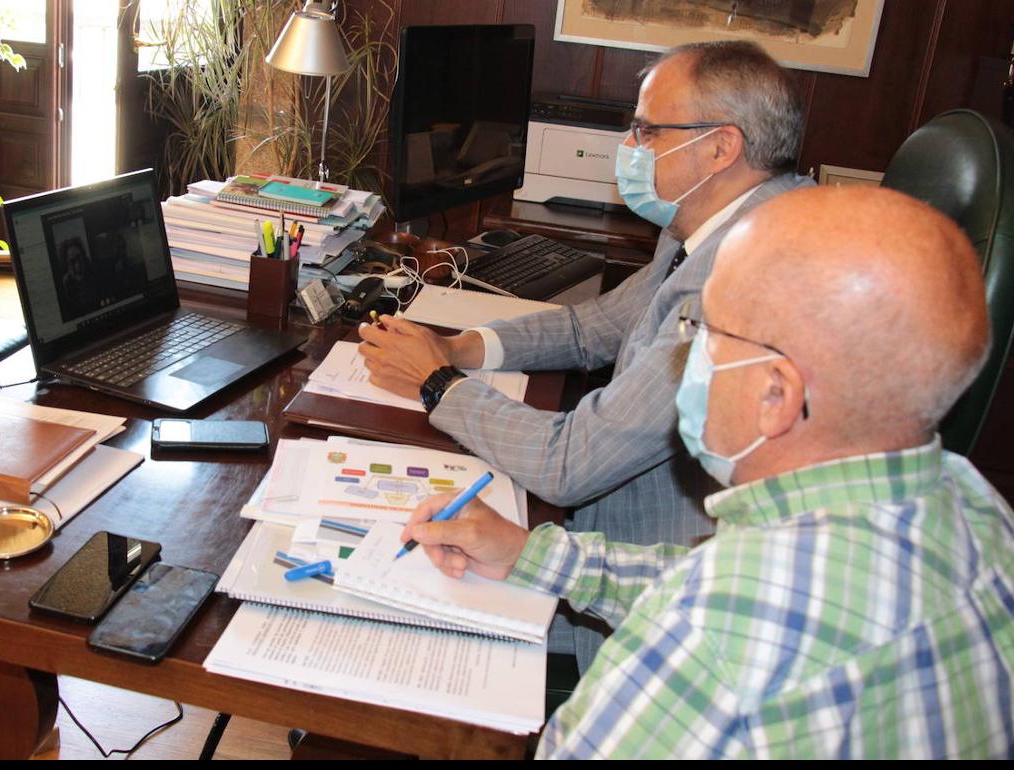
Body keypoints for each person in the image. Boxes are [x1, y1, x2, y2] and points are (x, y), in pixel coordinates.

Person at [399, 186, 1014, 758]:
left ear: (776, 394)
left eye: (705, 333)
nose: (683, 355)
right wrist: (533, 555)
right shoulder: (978, 507)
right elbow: (712, 586)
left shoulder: (710, 636)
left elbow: (723, 613)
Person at [361, 40, 812, 667]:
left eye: (648, 130)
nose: (629, 147)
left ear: (720, 146)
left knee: (380, 617)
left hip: (646, 591)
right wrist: (462, 348)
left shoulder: (743, 273)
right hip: (615, 535)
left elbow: (571, 464)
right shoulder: (710, 225)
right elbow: (594, 327)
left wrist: (437, 384)